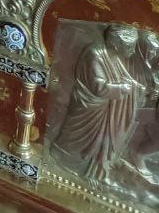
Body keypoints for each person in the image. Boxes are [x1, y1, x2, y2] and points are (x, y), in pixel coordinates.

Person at [51, 23, 144, 184]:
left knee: (104, 139)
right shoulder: (94, 54)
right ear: (116, 45)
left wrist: (138, 88)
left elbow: (124, 76)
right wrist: (121, 88)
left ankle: (96, 170)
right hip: (89, 107)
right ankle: (66, 161)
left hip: (106, 110)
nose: (133, 51)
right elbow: (98, 87)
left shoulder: (114, 56)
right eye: (130, 46)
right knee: (76, 140)